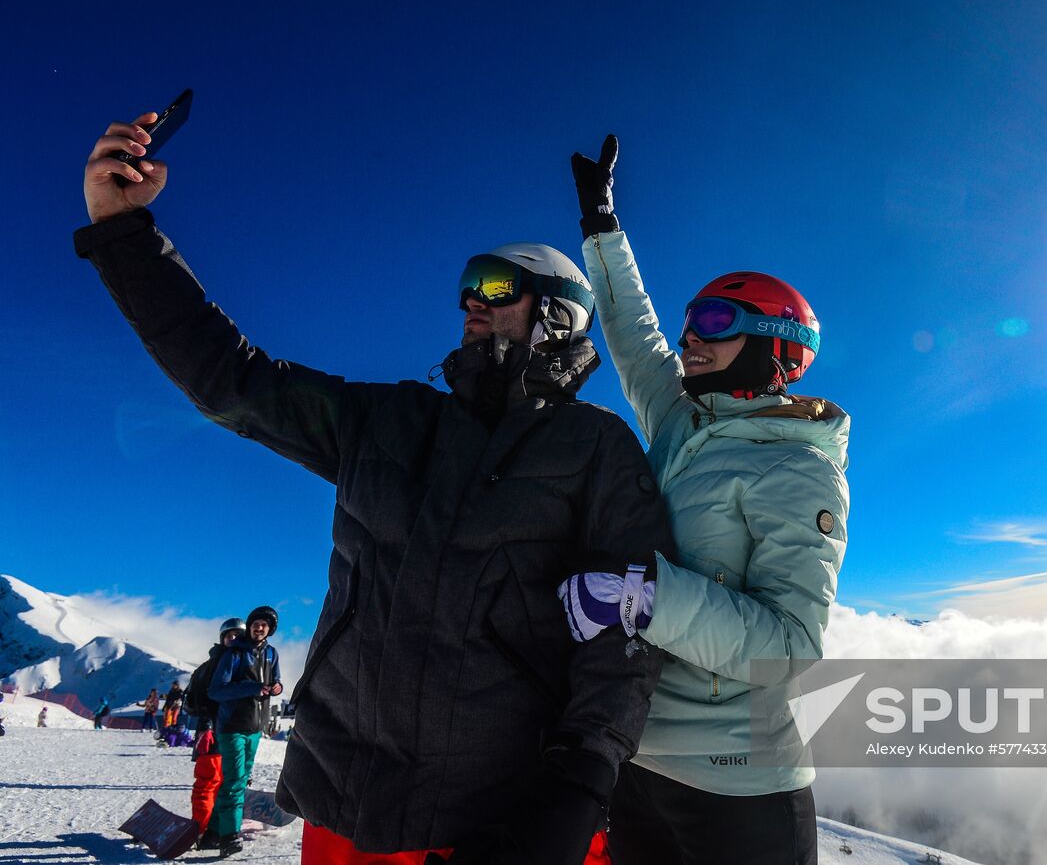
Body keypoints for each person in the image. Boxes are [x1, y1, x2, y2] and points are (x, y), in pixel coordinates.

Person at [76, 111, 676, 864]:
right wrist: (124, 234)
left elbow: (625, 623)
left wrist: (584, 776)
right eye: (466, 287)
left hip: (498, 815)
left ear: (557, 315)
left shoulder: (594, 448)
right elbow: (232, 378)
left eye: (495, 286)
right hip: (344, 802)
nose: (471, 301)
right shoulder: (388, 421)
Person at [563, 136, 850, 865]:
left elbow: (793, 644)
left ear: (774, 344)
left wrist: (652, 597)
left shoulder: (798, 468)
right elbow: (633, 335)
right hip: (640, 759)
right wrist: (602, 227)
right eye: (693, 320)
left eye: (716, 323)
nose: (691, 336)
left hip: (741, 791)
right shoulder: (683, 421)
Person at [206, 606, 282, 857]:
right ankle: (229, 835)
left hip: (254, 728)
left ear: (270, 629)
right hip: (232, 727)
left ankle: (213, 833)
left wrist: (278, 687)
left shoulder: (271, 653)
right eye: (256, 623)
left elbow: (276, 680)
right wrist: (251, 688)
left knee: (238, 780)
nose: (259, 628)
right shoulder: (235, 654)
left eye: (264, 625)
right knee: (236, 781)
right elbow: (216, 690)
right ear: (249, 626)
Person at [190, 618, 244, 850]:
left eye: (238, 636)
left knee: (228, 783)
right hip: (214, 732)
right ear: (222, 638)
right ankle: (199, 829)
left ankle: (217, 829)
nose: (233, 639)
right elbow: (194, 698)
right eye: (229, 635)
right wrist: (206, 722)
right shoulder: (211, 665)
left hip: (237, 733)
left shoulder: (247, 664)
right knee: (208, 781)